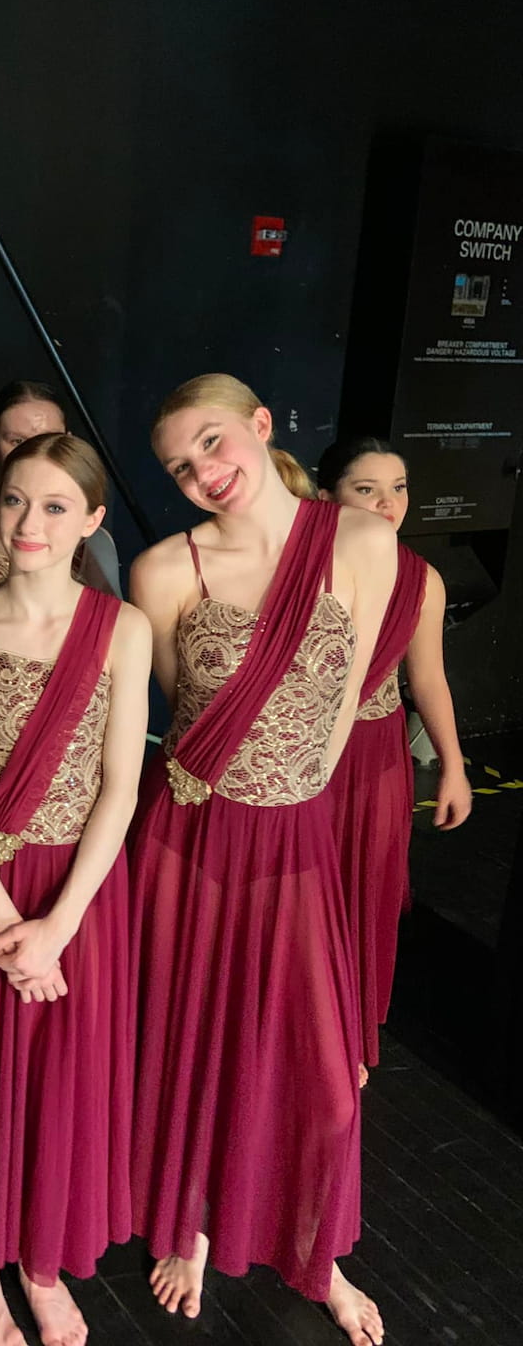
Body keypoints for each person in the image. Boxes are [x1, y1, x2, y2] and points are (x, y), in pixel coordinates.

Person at [129, 374, 396, 1346]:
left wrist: (297, 801)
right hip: (192, 841)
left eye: (212, 443)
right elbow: (180, 710)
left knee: (317, 1068)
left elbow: (345, 696)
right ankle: (192, 1219)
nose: (203, 472)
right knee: (191, 1041)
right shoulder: (163, 570)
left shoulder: (363, 543)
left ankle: (317, 1252)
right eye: (179, 465)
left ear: (258, 424)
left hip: (297, 838)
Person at [0, 432, 150, 1346]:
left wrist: (59, 926)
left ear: (92, 519)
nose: (29, 522)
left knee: (65, 1074)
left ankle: (44, 1261)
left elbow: (121, 788)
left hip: (82, 893)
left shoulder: (121, 628)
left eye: (55, 506)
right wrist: (18, 927)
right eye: (15, 500)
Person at [318, 436, 471, 1076]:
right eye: (367, 489)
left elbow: (427, 679)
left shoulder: (421, 579)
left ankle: (347, 1039)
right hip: (303, 755)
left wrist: (454, 765)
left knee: (363, 895)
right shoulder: (300, 566)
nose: (388, 503)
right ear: (326, 497)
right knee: (303, 896)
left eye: (399, 487)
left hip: (377, 756)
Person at [0, 381, 122, 618]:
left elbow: (112, 626)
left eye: (49, 438)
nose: (36, 452)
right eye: (17, 441)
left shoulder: (95, 540)